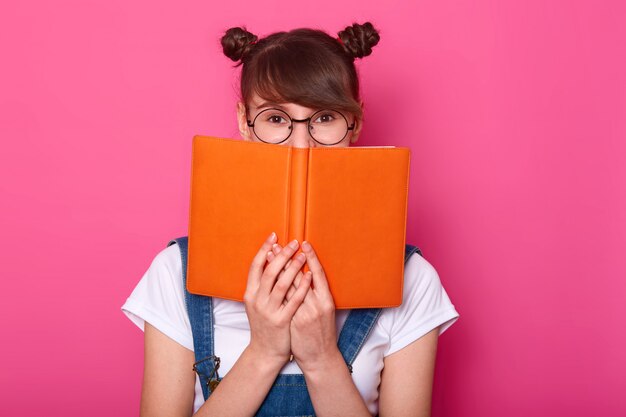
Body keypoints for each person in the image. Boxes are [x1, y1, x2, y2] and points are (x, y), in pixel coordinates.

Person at [121, 21, 460, 417]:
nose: (302, 144)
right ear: (245, 123)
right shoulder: (174, 274)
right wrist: (264, 352)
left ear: (356, 123)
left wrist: (321, 361)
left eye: (325, 118)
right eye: (277, 119)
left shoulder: (413, 281)